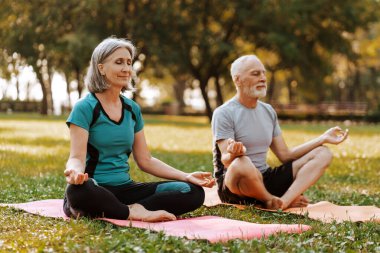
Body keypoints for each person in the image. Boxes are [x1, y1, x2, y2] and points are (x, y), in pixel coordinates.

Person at [63, 37, 215, 222]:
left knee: (191, 191)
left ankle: (125, 209)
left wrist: (186, 176)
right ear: (101, 67)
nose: (126, 69)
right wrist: (74, 173)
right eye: (119, 62)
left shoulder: (132, 109)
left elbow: (146, 160)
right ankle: (131, 213)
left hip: (126, 189)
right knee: (78, 192)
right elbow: (76, 158)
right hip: (94, 188)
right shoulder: (85, 107)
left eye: (129, 62)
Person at [211, 55, 348, 210]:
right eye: (255, 74)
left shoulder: (268, 111)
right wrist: (234, 153)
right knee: (242, 162)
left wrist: (323, 138)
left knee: (324, 153)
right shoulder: (223, 113)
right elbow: (226, 160)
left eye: (263, 73)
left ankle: (282, 202)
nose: (263, 78)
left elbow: (285, 155)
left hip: (264, 179)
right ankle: (268, 200)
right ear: (237, 80)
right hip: (234, 186)